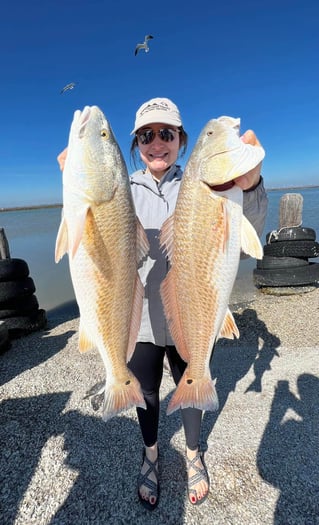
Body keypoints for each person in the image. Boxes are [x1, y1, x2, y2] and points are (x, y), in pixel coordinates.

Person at [57, 97, 268, 510]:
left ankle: (193, 453)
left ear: (181, 141)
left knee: (193, 375)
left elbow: (246, 242)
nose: (157, 143)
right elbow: (91, 242)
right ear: (136, 145)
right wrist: (74, 180)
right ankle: (151, 454)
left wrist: (253, 185)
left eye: (166, 134)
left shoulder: (195, 183)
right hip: (140, 321)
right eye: (147, 135)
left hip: (190, 314)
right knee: (147, 392)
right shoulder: (124, 187)